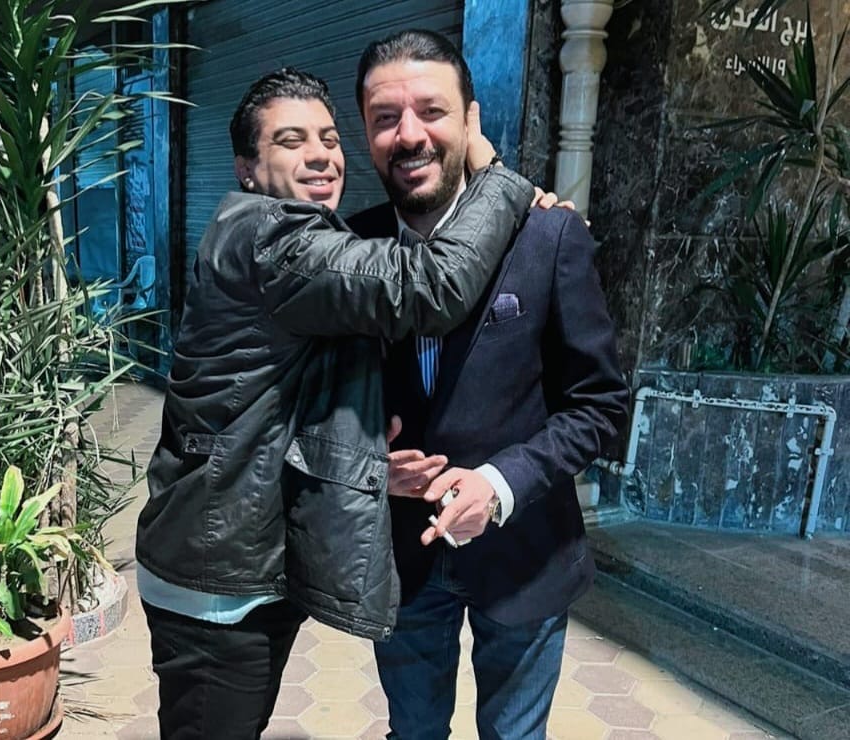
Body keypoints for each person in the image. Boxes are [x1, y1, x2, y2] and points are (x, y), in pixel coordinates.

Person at [135, 67, 550, 739]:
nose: (321, 155)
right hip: (217, 578)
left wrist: (369, 463)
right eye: (290, 141)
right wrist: (498, 177)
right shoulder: (275, 240)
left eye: (329, 139)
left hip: (242, 556)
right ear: (247, 169)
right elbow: (432, 286)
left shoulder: (290, 240)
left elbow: (276, 406)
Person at [347, 30, 630, 739]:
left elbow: (600, 407)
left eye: (432, 111)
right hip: (403, 557)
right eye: (386, 117)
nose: (410, 134)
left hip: (526, 552)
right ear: (366, 133)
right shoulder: (348, 250)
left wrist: (499, 485)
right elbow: (317, 400)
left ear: (471, 121)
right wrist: (366, 460)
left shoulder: (548, 237)